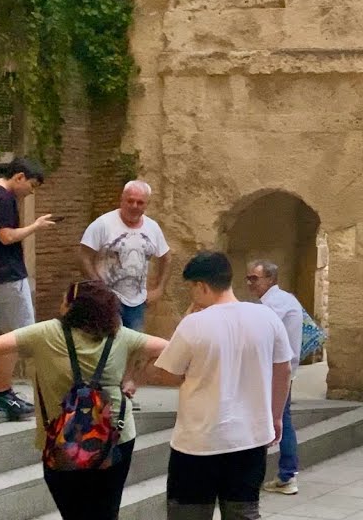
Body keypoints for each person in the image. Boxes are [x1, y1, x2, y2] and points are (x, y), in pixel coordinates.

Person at [0, 281, 167, 520]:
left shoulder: (45, 333)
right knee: (106, 511)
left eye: (65, 300)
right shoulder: (121, 336)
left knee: (74, 512)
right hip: (115, 437)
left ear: (73, 307)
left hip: (61, 441)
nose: (61, 305)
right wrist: (134, 380)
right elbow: (168, 349)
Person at [148, 251, 292, 520]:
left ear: (201, 286)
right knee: (243, 513)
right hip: (250, 438)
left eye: (192, 288)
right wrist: (275, 416)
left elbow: (168, 375)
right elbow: (283, 369)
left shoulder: (194, 324)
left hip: (199, 442)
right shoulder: (267, 317)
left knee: (189, 514)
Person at [0, 157, 54, 420]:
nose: (31, 191)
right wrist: (35, 226)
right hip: (5, 278)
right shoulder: (3, 198)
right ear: (19, 177)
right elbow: (6, 236)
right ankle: (3, 392)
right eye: (32, 185)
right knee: (15, 336)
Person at [244, 261, 304, 496]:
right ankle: (284, 474)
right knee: (280, 418)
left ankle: (287, 475)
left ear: (270, 279)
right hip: (279, 369)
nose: (250, 283)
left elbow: (259, 332)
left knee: (280, 419)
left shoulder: (275, 304)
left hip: (275, 371)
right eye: (248, 278)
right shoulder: (283, 300)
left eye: (254, 279)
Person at [79, 180, 171, 333]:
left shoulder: (152, 228)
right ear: (122, 199)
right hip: (105, 301)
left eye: (140, 202)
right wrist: (98, 286)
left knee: (133, 347)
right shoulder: (102, 225)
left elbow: (166, 257)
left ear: (146, 204)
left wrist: (160, 289)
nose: (134, 206)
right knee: (105, 345)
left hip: (137, 304)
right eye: (130, 201)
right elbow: (83, 256)